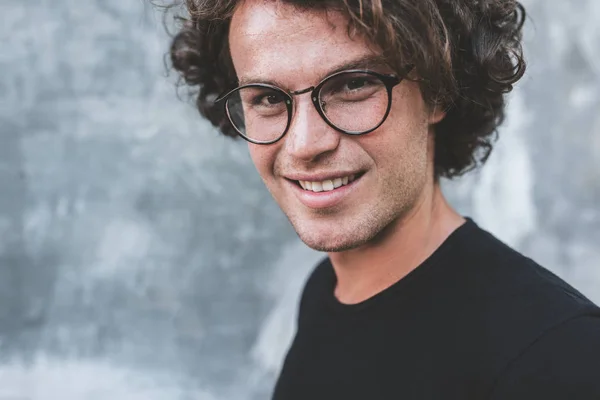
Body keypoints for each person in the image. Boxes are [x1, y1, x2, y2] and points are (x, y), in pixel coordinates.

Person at [167, 0, 600, 398]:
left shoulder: (557, 355)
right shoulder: (325, 291)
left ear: (439, 91)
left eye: (353, 84)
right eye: (267, 98)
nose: (303, 144)